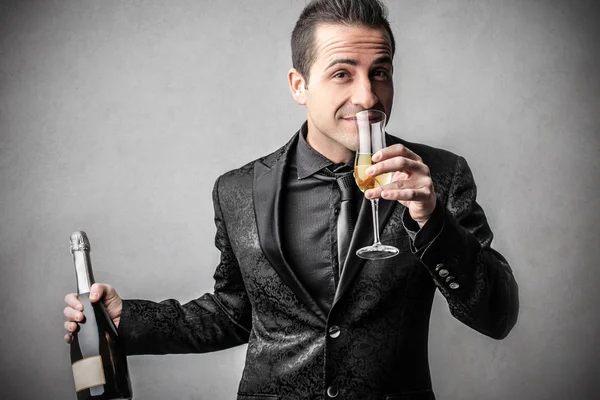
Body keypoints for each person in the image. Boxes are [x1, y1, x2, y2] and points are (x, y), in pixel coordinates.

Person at [63, 1, 519, 399]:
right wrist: (129, 321)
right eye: (342, 73)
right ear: (298, 85)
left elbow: (497, 316)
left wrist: (433, 219)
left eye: (379, 72)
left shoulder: (438, 175)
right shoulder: (237, 190)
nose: (367, 96)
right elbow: (235, 313)